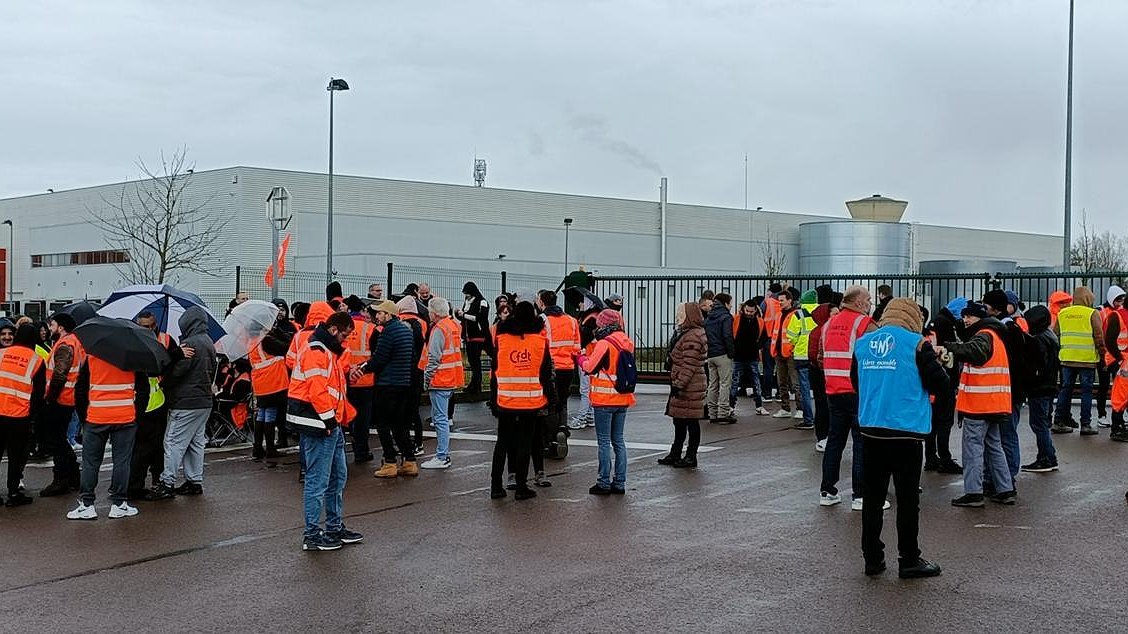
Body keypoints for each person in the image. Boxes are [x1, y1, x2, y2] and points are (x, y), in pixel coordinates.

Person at [854, 299, 947, 579]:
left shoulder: (864, 343)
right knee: (907, 500)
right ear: (913, 318)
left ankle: (872, 558)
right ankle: (909, 558)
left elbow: (855, 381)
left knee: (872, 498)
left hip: (871, 428)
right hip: (905, 431)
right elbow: (940, 383)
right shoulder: (917, 344)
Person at [289, 312, 363, 551]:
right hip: (320, 424)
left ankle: (332, 527)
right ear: (333, 330)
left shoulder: (325, 351)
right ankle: (312, 534)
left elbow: (328, 388)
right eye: (344, 335)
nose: (345, 340)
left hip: (328, 423)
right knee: (319, 480)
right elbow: (317, 390)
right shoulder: (317, 351)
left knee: (336, 477)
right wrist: (331, 421)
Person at [940, 301, 1016, 507]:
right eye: (963, 316)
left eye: (968, 316)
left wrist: (946, 347)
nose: (964, 320)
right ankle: (1005, 489)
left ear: (978, 318)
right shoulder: (995, 334)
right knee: (994, 446)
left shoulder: (984, 334)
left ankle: (974, 492)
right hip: (994, 402)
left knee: (973, 448)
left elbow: (975, 352)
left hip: (979, 403)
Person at [69, 334, 149, 520]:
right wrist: (136, 413)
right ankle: (119, 503)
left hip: (96, 416)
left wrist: (84, 416)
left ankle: (87, 504)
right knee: (122, 461)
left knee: (90, 462)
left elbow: (80, 390)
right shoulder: (132, 360)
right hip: (125, 416)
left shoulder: (92, 358)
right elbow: (143, 390)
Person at [817, 285, 879, 509]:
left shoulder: (828, 324)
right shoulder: (863, 323)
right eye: (869, 299)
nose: (871, 303)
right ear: (859, 303)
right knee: (861, 443)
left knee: (835, 441)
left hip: (833, 389)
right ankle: (861, 495)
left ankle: (827, 490)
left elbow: (821, 357)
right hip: (857, 390)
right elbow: (875, 357)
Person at [147, 308, 218, 500]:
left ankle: (167, 482)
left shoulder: (190, 344)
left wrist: (163, 381)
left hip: (185, 401)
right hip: (203, 400)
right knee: (196, 443)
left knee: (173, 442)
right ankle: (194, 481)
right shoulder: (209, 342)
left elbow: (177, 372)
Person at [490, 296, 556, 500]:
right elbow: (545, 374)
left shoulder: (502, 339)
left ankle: (496, 486)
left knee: (502, 442)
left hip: (505, 398)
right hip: (530, 400)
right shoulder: (540, 341)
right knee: (525, 444)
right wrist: (552, 398)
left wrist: (493, 398)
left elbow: (494, 370)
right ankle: (521, 487)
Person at [359, 300, 420, 478]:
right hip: (403, 383)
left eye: (379, 313)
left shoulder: (388, 332)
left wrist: (362, 368)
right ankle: (409, 461)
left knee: (383, 424)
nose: (376, 316)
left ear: (389, 314)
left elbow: (380, 359)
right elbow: (412, 357)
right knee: (400, 424)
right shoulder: (406, 331)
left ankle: (390, 461)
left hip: (387, 384)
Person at [580, 309, 636, 495]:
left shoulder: (604, 343)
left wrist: (580, 358)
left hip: (604, 398)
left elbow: (589, 367)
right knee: (618, 440)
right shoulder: (627, 341)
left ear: (603, 324)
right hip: (623, 397)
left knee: (604, 442)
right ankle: (619, 482)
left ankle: (603, 482)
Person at [128, 312, 177, 500]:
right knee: (141, 448)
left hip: (160, 399)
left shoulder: (165, 339)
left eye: (150, 326)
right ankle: (135, 485)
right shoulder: (134, 342)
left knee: (158, 446)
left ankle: (157, 480)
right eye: (144, 326)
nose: (147, 329)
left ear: (155, 325)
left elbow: (172, 366)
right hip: (144, 402)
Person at [981, 289, 1027, 482]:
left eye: (985, 305)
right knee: (998, 437)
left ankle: (1007, 477)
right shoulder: (1007, 328)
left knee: (1005, 436)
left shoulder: (1009, 330)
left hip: (1008, 392)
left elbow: (1014, 364)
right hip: (1003, 392)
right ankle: (998, 476)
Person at [0, 325, 47, 506]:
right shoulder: (36, 360)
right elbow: (38, 393)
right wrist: (33, 414)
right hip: (19, 416)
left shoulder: (2, 354)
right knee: (15, 456)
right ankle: (13, 493)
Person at [39, 313, 84, 497]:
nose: (50, 327)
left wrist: (50, 397)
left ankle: (61, 479)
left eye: (53, 324)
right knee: (60, 439)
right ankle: (73, 475)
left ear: (61, 326)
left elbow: (59, 374)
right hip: (69, 398)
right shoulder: (74, 342)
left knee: (56, 440)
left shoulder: (65, 344)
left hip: (61, 398)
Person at [1052, 286, 1106, 435]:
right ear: (1088, 299)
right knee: (1086, 392)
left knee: (1065, 389)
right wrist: (1103, 355)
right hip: (1086, 360)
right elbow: (1099, 337)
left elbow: (1055, 335)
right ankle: (1086, 424)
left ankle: (1058, 421)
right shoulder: (1092, 313)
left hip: (1067, 359)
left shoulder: (1063, 313)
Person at [923, 297, 967, 474]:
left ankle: (932, 458)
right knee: (944, 421)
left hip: (933, 379)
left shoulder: (937, 322)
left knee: (932, 422)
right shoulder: (946, 323)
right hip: (944, 380)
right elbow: (951, 353)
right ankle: (944, 458)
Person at [660, 302, 707, 468]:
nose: (677, 317)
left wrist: (679, 384)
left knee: (691, 421)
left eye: (680, 314)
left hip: (689, 385)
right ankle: (676, 453)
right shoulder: (688, 333)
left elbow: (689, 364)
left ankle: (690, 456)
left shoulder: (692, 336)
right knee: (679, 420)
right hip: (687, 382)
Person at [421, 297, 463, 470]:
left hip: (440, 379)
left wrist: (426, 379)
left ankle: (442, 455)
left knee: (440, 419)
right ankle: (442, 455)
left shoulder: (439, 329)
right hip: (450, 377)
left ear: (434, 312)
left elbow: (434, 358)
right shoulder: (453, 326)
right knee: (442, 418)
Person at [249, 303, 294, 462]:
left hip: (261, 382)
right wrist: (278, 331)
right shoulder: (267, 340)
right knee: (270, 415)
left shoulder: (253, 341)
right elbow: (288, 345)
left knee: (261, 414)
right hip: (273, 381)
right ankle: (270, 448)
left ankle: (257, 447)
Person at [1019, 305, 1062, 471]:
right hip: (1048, 385)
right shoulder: (1049, 336)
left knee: (1039, 424)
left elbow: (1036, 366)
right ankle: (1048, 456)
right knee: (1042, 423)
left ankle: (1046, 457)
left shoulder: (1036, 339)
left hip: (1039, 387)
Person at [540, 290, 580, 456]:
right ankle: (563, 427)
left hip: (552, 368)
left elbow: (540, 345)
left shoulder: (543, 320)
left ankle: (551, 440)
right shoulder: (571, 320)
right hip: (568, 368)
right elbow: (577, 347)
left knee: (550, 403)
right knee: (562, 401)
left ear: (542, 303)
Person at [396, 296, 429, 456]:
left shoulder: (401, 322)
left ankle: (408, 444)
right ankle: (418, 443)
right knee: (414, 410)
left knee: (404, 411)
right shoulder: (422, 323)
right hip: (419, 369)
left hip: (404, 371)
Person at [344, 308, 377, 464]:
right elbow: (376, 354)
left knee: (349, 415)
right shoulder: (370, 328)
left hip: (346, 377)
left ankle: (352, 443)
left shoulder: (343, 328)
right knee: (363, 418)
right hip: (365, 379)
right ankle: (361, 451)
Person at [786, 289, 819, 429]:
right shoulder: (822, 314)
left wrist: (797, 343)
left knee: (804, 389)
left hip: (802, 356)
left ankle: (808, 419)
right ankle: (821, 418)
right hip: (818, 356)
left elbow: (791, 335)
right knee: (820, 390)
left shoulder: (798, 314)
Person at [807, 301, 837, 451]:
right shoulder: (819, 332)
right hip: (820, 373)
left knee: (826, 406)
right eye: (834, 313)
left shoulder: (827, 330)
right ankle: (822, 436)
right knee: (823, 405)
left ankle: (825, 436)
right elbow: (813, 355)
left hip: (825, 372)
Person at [730, 299, 768, 416]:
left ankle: (757, 405)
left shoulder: (757, 321)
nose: (749, 313)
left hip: (749, 355)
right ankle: (732, 406)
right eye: (747, 311)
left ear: (755, 310)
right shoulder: (738, 319)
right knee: (740, 382)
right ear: (744, 309)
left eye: (751, 311)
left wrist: (758, 346)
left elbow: (764, 337)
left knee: (748, 382)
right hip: (742, 355)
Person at [704, 292, 736, 424]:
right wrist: (731, 352)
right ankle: (723, 413)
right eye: (731, 303)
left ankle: (712, 413)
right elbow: (727, 336)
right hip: (723, 354)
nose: (731, 306)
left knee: (712, 385)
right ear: (726, 303)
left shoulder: (709, 317)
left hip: (710, 354)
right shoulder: (726, 317)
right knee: (725, 384)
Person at [1098, 285, 1127, 428]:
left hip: (1119, 358)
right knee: (1106, 387)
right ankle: (1103, 416)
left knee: (1119, 390)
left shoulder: (1120, 314)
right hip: (1109, 357)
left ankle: (1119, 416)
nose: (1119, 303)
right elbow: (1105, 337)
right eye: (1117, 300)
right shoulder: (1103, 311)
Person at [771, 289, 802, 419]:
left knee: (795, 383)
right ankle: (785, 408)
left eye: (782, 300)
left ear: (790, 300)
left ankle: (800, 408)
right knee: (782, 382)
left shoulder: (796, 314)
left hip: (790, 352)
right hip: (779, 352)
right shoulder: (779, 315)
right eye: (779, 301)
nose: (780, 303)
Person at [456, 282, 490, 394]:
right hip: (468, 336)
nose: (466, 296)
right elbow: (464, 318)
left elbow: (481, 317)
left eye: (467, 293)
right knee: (472, 361)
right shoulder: (467, 302)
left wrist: (464, 315)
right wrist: (459, 314)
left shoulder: (482, 302)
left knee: (475, 361)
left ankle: (476, 385)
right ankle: (473, 384)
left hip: (478, 336)